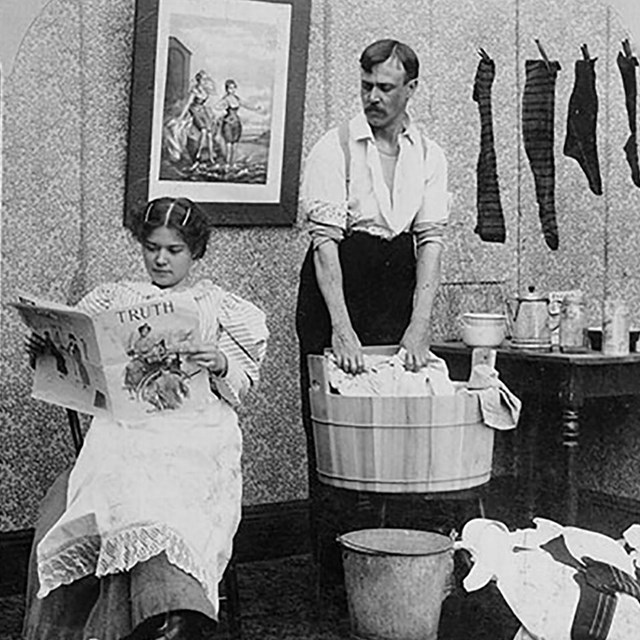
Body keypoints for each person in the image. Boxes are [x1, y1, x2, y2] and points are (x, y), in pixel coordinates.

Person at [23, 196, 269, 640]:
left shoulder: (221, 306)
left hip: (195, 426)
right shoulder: (112, 299)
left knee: (161, 487)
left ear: (195, 252)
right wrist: (52, 350)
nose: (160, 258)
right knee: (120, 478)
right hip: (126, 424)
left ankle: (174, 611)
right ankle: (142, 619)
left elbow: (242, 388)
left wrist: (219, 363)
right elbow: (80, 371)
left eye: (174, 250)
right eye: (152, 247)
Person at [294, 39, 452, 573]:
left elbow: (429, 242)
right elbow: (324, 246)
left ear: (411, 89)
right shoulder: (333, 147)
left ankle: (393, 567)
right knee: (338, 437)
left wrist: (420, 325)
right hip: (336, 287)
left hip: (396, 286)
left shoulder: (429, 154)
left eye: (386, 87)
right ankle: (335, 580)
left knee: (397, 428)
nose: (373, 97)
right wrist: (341, 329)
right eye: (366, 86)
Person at [216, 79, 263, 168]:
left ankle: (232, 164)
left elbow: (246, 104)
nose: (232, 90)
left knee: (235, 146)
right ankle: (227, 164)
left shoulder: (237, 98)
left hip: (236, 124)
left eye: (234, 88)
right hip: (228, 124)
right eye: (230, 88)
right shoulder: (225, 99)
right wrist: (224, 108)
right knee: (229, 146)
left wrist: (255, 108)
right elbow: (217, 106)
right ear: (227, 89)